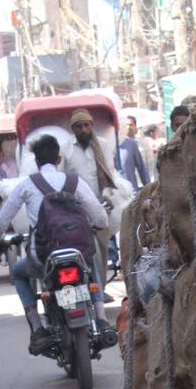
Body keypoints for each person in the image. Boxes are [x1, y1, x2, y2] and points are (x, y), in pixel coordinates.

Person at [0, 133, 117, 355]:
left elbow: (1, 221)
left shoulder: (26, 185)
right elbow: (100, 217)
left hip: (43, 256)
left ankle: (38, 328)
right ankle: (101, 317)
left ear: (36, 161)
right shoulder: (75, 182)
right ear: (59, 159)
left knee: (20, 274)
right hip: (78, 252)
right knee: (92, 264)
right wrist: (95, 225)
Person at [61, 108, 117, 300]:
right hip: (74, 209)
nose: (83, 129)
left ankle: (100, 290)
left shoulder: (102, 145)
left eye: (86, 125)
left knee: (101, 249)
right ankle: (79, 289)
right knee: (78, 251)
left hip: (99, 206)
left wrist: (107, 196)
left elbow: (110, 172)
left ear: (91, 126)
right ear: (73, 129)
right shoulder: (66, 148)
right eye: (79, 126)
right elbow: (61, 177)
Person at [118, 115, 150, 193]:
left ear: (135, 126)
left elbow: (143, 167)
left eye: (131, 125)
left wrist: (149, 190)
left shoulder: (140, 144)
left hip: (135, 190)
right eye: (126, 125)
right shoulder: (111, 145)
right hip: (119, 193)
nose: (128, 127)